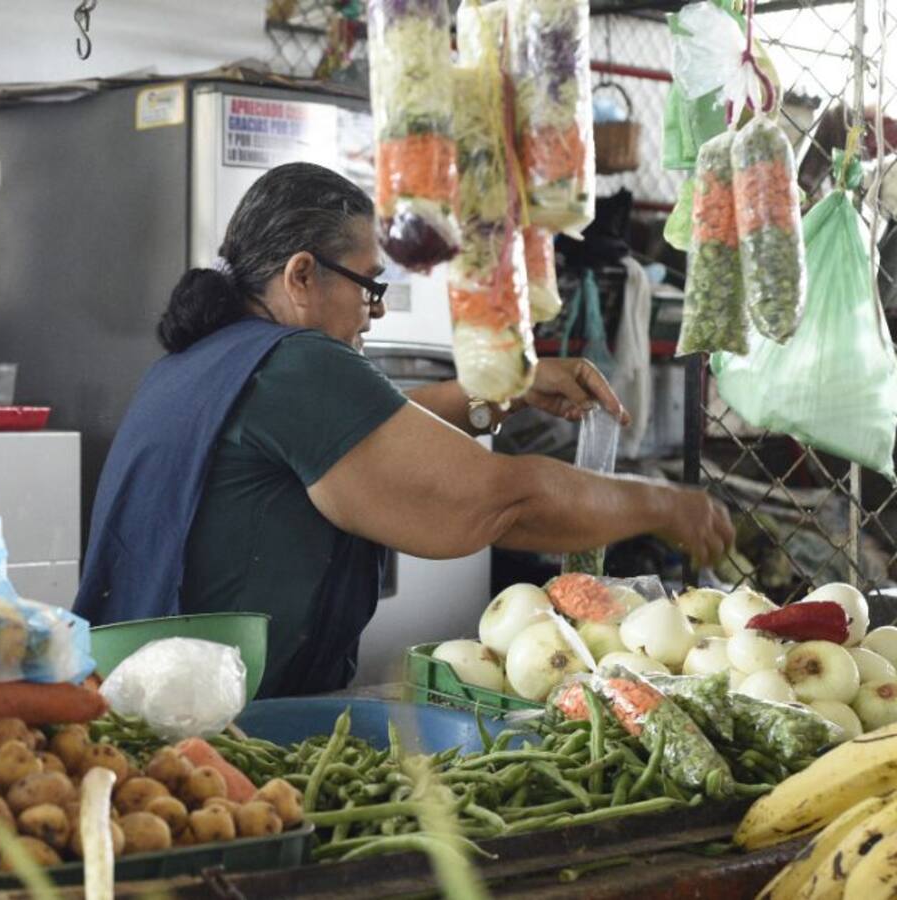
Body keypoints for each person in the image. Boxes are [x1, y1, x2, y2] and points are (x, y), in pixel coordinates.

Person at [74, 162, 733, 697]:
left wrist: (502, 389)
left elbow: (360, 428)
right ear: (302, 275)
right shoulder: (296, 366)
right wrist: (663, 504)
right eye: (369, 285)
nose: (375, 312)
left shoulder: (202, 361)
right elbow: (497, 501)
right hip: (215, 727)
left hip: (141, 701)